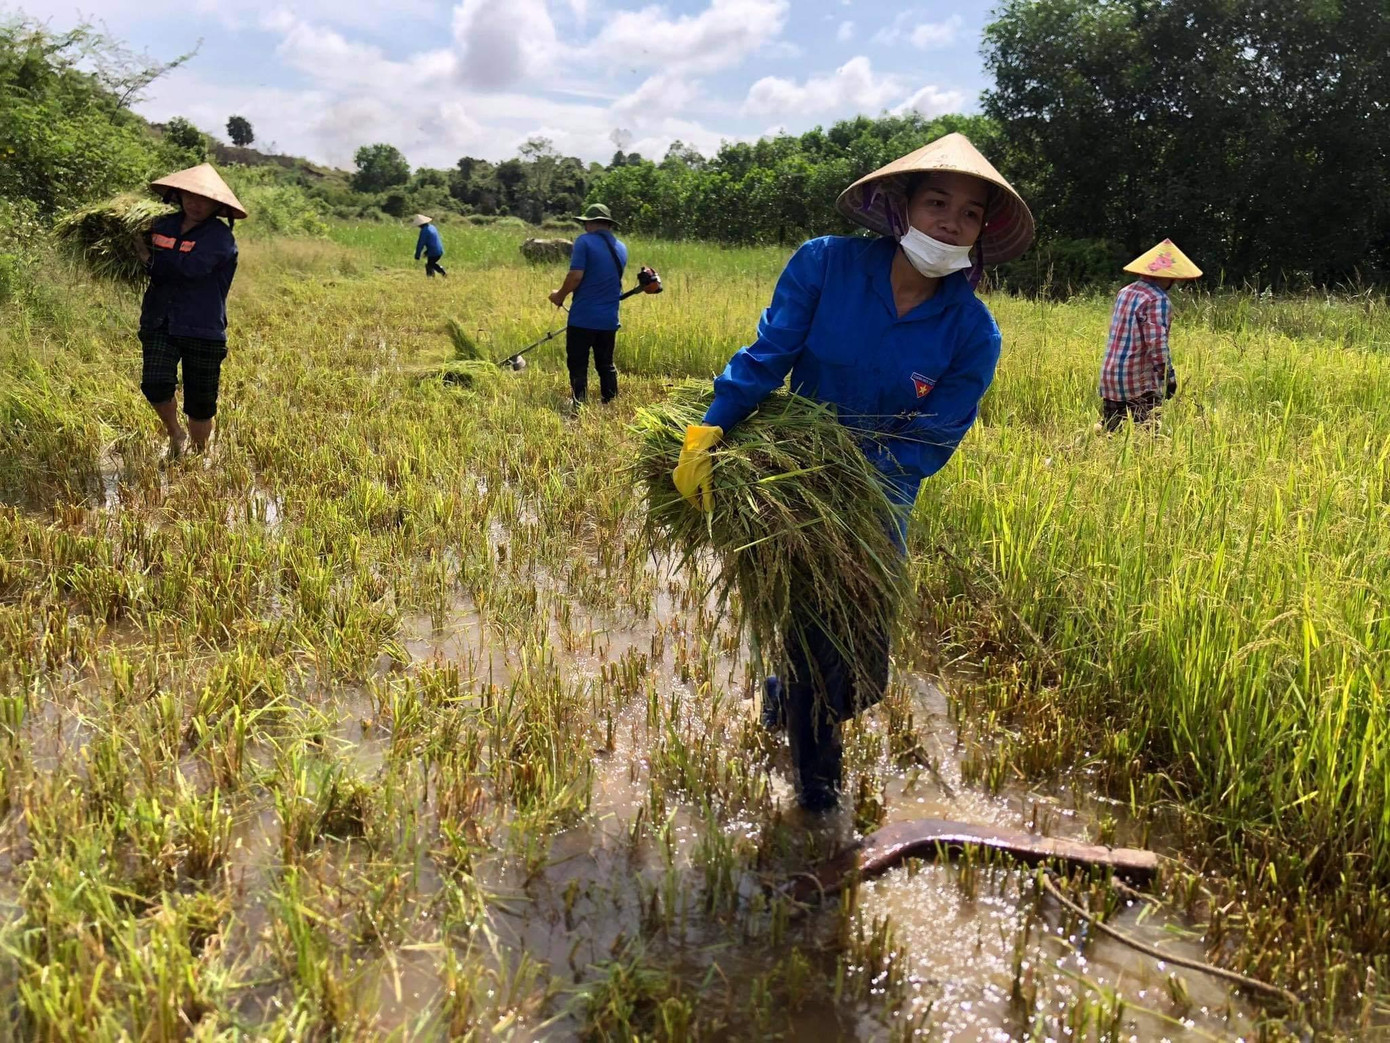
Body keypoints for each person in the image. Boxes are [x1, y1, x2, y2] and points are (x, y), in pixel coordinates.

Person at [670, 133, 1034, 813]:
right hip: (789, 488)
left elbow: (930, 440)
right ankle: (817, 805)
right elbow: (768, 354)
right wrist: (711, 428)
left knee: (862, 678)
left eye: (970, 213)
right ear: (901, 208)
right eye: (936, 202)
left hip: (877, 508)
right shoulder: (826, 265)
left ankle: (782, 693)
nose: (951, 221)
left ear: (981, 233)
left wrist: (853, 497)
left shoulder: (973, 333)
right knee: (816, 657)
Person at [132, 163, 245, 457]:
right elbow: (133, 241)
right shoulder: (161, 224)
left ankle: (198, 454)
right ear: (178, 195)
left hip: (202, 326)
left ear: (216, 205)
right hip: (159, 319)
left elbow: (188, 270)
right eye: (190, 197)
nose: (196, 204)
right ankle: (175, 434)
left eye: (204, 199)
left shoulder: (220, 239)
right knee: (154, 384)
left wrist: (146, 257)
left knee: (200, 401)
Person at [1098, 239, 1202, 431]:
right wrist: (1168, 378)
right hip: (1138, 381)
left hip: (1111, 375)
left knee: (1110, 432)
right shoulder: (1157, 299)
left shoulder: (1125, 292)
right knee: (1148, 436)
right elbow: (1157, 344)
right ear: (1168, 277)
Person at [549, 203, 628, 407]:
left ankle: (579, 403)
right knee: (606, 364)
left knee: (578, 364)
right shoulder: (621, 247)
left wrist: (559, 295)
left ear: (591, 223)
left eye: (585, 224)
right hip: (609, 319)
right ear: (609, 224)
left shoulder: (584, 242)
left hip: (583, 318)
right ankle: (610, 404)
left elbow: (575, 276)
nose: (584, 228)